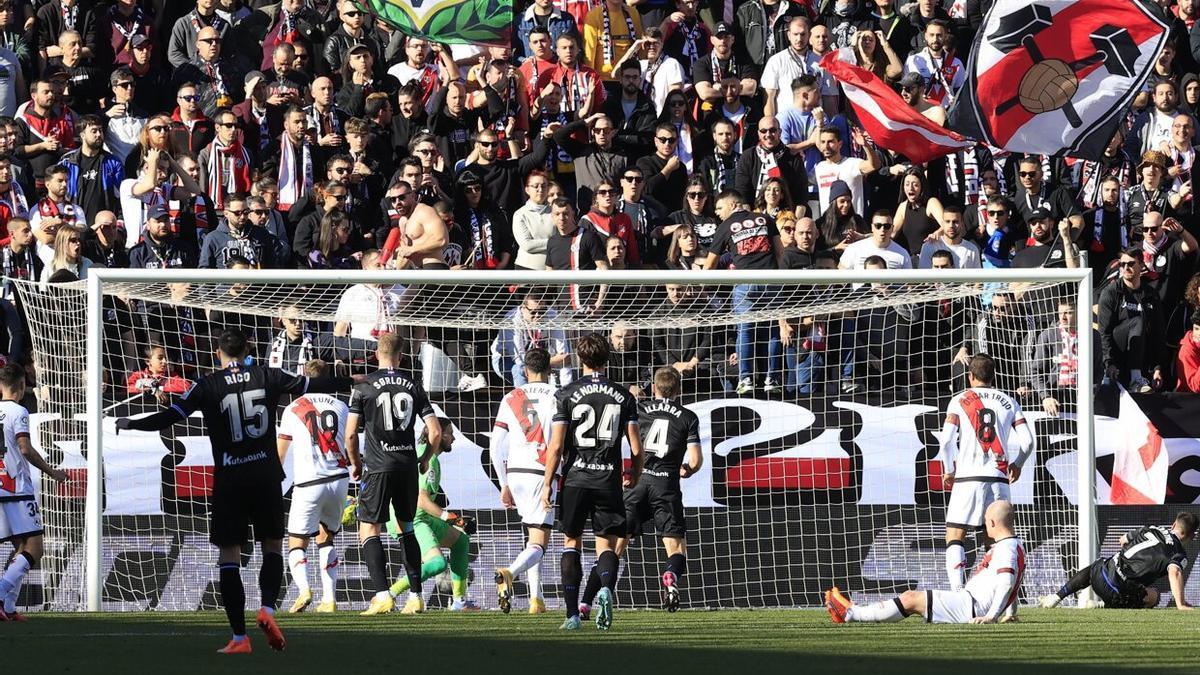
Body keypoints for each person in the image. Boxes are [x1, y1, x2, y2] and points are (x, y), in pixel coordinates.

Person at [115, 329, 360, 653]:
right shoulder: (267, 376)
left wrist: (130, 422)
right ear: (247, 350)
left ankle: (240, 638)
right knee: (273, 545)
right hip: (265, 476)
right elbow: (315, 384)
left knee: (229, 555)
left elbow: (168, 417)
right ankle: (268, 610)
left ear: (218, 353)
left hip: (230, 478)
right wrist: (356, 381)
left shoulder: (207, 385)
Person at [577, 366, 701, 615]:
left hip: (638, 483)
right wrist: (687, 469)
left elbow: (619, 443)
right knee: (676, 549)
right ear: (679, 389)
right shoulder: (688, 417)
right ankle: (669, 574)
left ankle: (586, 602)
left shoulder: (640, 409)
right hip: (666, 486)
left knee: (613, 548)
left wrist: (625, 473)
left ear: (654, 388)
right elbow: (696, 461)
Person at [540, 333, 643, 631]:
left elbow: (556, 447)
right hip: (607, 479)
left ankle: (572, 616)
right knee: (606, 544)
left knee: (571, 542)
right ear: (607, 358)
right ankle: (606, 589)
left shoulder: (566, 394)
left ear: (580, 358)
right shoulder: (624, 396)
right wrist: (634, 474)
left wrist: (548, 482)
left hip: (575, 479)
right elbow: (637, 448)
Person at [346, 333, 443, 616]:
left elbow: (351, 433)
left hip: (377, 467)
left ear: (376, 354)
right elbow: (435, 431)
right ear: (400, 357)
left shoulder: (363, 385)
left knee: (369, 528)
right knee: (407, 528)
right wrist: (424, 460)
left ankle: (382, 595)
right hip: (406, 467)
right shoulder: (413, 385)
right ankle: (415, 597)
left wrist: (355, 463)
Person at [825, 500, 1023, 624]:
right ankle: (853, 612)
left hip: (971, 607)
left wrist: (991, 617)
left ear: (993, 523)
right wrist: (1007, 613)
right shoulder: (1013, 545)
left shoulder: (1007, 548)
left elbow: (1007, 582)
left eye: (986, 521)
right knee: (912, 598)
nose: (985, 526)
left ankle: (851, 614)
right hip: (970, 602)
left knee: (911, 599)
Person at [939, 354, 1034, 592]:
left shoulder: (959, 400)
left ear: (970, 376)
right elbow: (1028, 441)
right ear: (994, 376)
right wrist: (1018, 464)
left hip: (967, 478)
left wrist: (949, 470)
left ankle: (958, 593)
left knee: (955, 535)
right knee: (996, 542)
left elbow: (946, 441)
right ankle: (998, 596)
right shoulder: (1009, 401)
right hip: (998, 479)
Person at [383, 416, 478, 611]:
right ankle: (388, 595)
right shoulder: (428, 457)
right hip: (410, 520)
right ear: (439, 435)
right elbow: (421, 499)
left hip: (421, 516)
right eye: (450, 433)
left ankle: (459, 602)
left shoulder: (428, 456)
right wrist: (451, 518)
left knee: (460, 541)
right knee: (437, 563)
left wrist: (453, 521)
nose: (454, 438)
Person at [277, 359, 350, 615]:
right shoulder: (342, 406)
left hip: (310, 481)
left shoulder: (292, 408)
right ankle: (329, 600)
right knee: (326, 537)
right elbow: (349, 441)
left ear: (304, 377)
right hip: (339, 479)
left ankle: (304, 590)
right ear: (328, 378)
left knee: (296, 541)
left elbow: (280, 453)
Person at [491, 347, 558, 615]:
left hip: (516, 473)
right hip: (544, 472)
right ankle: (510, 572)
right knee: (540, 541)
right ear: (549, 371)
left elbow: (496, 446)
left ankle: (535, 599)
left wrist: (503, 482)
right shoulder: (558, 396)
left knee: (532, 536)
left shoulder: (512, 397)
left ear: (525, 371)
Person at [0, 362, 69, 622]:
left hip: (1, 488)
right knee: (35, 549)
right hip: (17, 489)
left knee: (20, 548)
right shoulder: (19, 411)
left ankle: (7, 608)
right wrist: (54, 472)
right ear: (22, 385)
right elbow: (25, 448)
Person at [704, 189, 783, 394]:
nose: (718, 213)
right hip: (772, 281)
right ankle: (771, 379)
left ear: (732, 205)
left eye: (720, 208)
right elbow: (780, 253)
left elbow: (710, 264)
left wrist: (702, 281)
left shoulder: (726, 226)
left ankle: (746, 378)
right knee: (773, 330)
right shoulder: (765, 219)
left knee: (745, 330)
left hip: (746, 283)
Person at [1040, 512, 1199, 610]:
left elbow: (1122, 540)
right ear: (1192, 536)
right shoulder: (1179, 553)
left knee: (1099, 564)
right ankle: (1102, 606)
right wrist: (1181, 603)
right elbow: (1174, 571)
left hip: (1100, 575)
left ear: (1173, 525)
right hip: (1118, 593)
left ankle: (1056, 597)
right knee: (1154, 596)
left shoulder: (1152, 528)